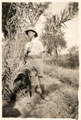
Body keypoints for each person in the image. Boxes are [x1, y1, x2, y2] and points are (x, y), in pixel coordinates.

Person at [24, 28, 48, 101]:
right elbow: (25, 55)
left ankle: (43, 94)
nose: (29, 34)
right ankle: (32, 97)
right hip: (30, 60)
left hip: (38, 60)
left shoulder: (39, 43)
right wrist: (27, 52)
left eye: (30, 32)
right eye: (28, 33)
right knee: (32, 78)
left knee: (40, 77)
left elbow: (43, 53)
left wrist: (41, 62)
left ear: (34, 33)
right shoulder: (27, 44)